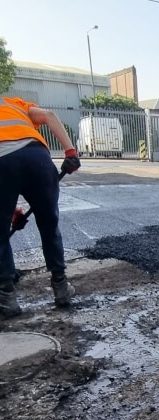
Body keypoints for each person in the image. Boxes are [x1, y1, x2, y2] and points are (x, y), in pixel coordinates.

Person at [0, 97, 81, 318]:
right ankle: (61, 288)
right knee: (49, 224)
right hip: (37, 157)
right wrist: (70, 152)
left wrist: (8, 215)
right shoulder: (14, 103)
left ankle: (7, 298)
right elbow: (50, 116)